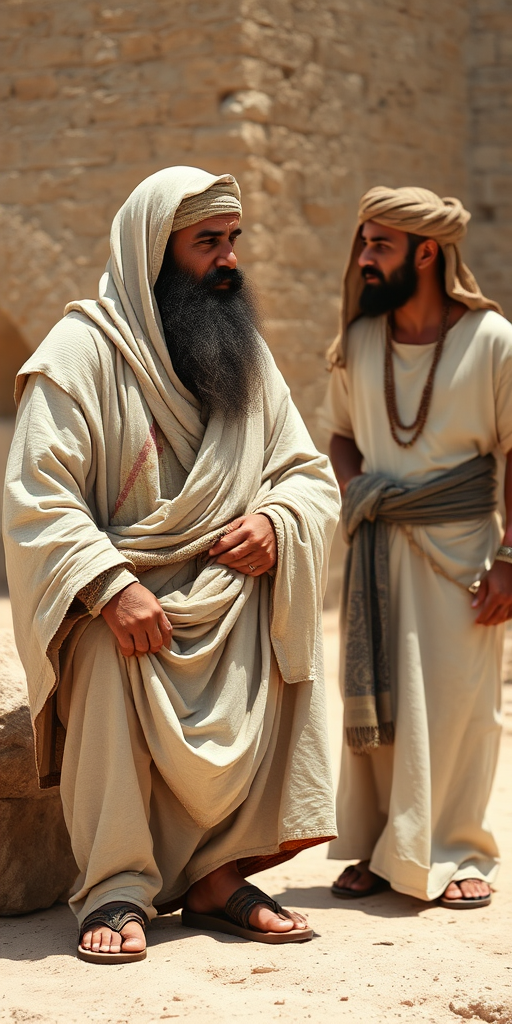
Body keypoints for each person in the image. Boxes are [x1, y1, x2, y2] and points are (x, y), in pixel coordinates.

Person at [3, 166, 340, 963]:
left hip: (221, 593)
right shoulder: (80, 352)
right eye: (207, 243)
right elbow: (34, 495)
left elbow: (306, 473)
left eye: (233, 241)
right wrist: (111, 586)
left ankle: (216, 873)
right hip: (121, 599)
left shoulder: (242, 351)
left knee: (268, 610)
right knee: (97, 642)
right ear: (154, 252)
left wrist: (274, 521)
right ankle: (118, 883)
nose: (229, 261)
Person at [320, 185, 512, 909]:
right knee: (382, 702)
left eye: (380, 244)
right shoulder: (360, 340)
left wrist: (510, 559)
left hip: (464, 555)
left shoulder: (493, 341)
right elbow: (341, 433)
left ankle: (460, 849)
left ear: (426, 252)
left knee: (460, 709)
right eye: (363, 242)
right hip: (377, 550)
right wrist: (355, 488)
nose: (363, 258)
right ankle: (377, 848)